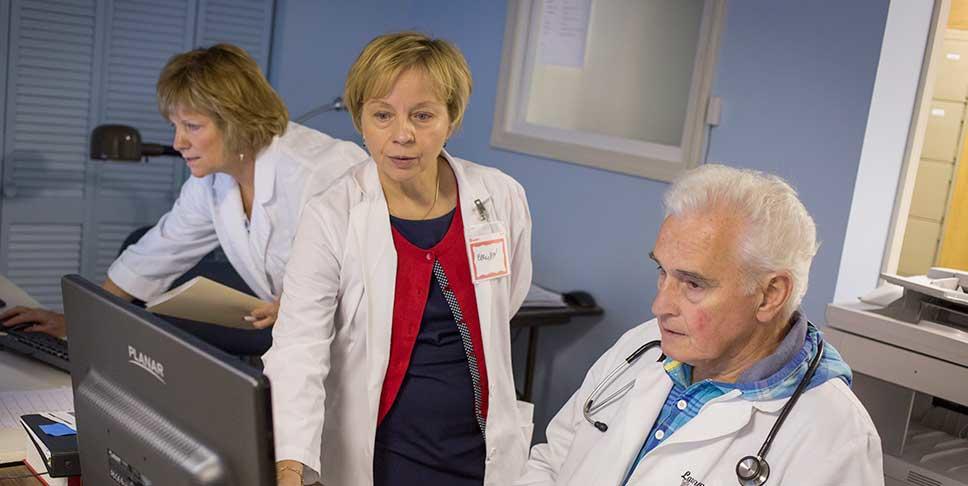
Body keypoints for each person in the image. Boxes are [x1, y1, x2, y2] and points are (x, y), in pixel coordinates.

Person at [264, 32, 533, 486]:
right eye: (382, 115)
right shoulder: (332, 214)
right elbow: (298, 348)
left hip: (481, 453)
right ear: (360, 121)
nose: (402, 135)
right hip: (379, 455)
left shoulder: (500, 196)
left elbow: (507, 300)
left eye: (423, 115)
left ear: (452, 119)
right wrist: (291, 469)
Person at [515, 165, 883, 485]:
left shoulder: (834, 437)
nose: (659, 305)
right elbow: (551, 462)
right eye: (662, 272)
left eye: (693, 284)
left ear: (770, 295)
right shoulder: (642, 346)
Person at [0, 44, 368, 348]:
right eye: (175, 126)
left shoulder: (324, 170)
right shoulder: (214, 180)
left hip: (355, 341)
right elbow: (159, 252)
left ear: (236, 119)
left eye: (192, 126)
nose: (178, 143)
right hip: (295, 332)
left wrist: (297, 305)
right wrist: (75, 323)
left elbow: (372, 272)